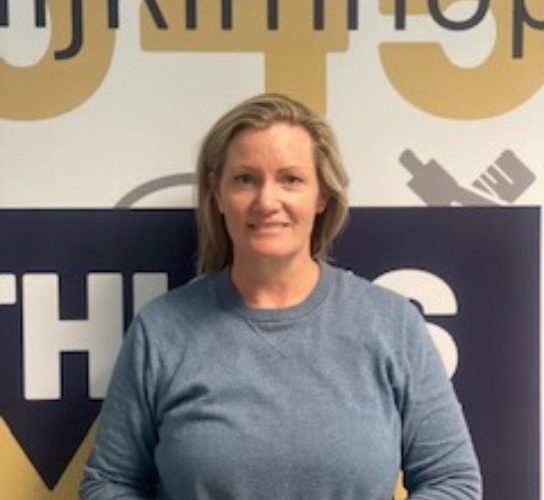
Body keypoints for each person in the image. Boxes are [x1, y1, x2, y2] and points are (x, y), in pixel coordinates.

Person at [80, 93, 482, 499]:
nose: (267, 201)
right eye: (244, 179)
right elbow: (109, 483)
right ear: (218, 195)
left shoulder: (392, 325)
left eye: (290, 179)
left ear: (321, 194)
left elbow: (452, 482)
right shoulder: (162, 330)